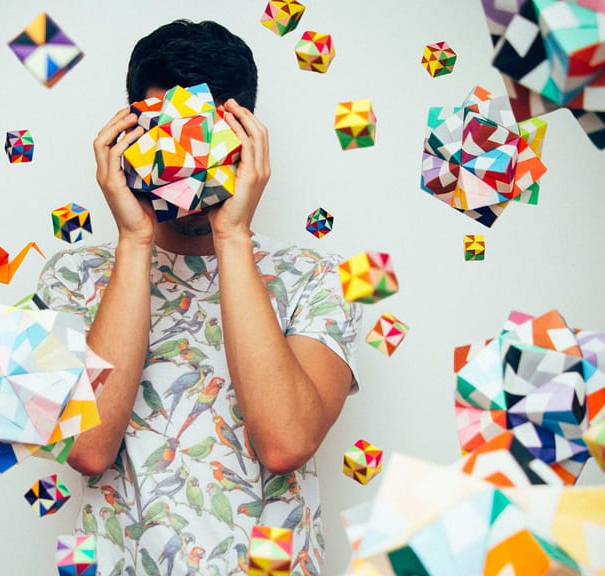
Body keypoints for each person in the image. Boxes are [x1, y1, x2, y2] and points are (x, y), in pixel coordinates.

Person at [36, 19, 361, 576]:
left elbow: (285, 443)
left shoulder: (317, 277)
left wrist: (231, 235)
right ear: (129, 135)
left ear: (246, 140)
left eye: (204, 138)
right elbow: (87, 448)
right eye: (167, 135)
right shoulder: (70, 277)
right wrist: (134, 241)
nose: (186, 163)